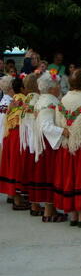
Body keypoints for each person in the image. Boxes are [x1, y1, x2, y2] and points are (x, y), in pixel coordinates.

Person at [54, 69, 81, 227]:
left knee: (68, 178)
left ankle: (72, 215)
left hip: (66, 146)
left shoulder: (63, 100)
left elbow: (58, 123)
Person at [34, 71, 69, 222]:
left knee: (48, 175)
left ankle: (51, 209)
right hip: (49, 146)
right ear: (51, 88)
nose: (60, 87)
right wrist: (63, 131)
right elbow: (46, 126)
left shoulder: (42, 100)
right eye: (58, 85)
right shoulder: (50, 102)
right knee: (50, 175)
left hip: (45, 144)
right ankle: (49, 211)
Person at [0, 76, 30, 210]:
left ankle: (15, 196)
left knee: (13, 166)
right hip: (18, 136)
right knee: (18, 167)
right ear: (23, 88)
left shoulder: (12, 101)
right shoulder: (23, 100)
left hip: (8, 136)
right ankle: (17, 200)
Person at [19, 73, 44, 216]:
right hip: (36, 142)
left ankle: (32, 202)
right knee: (37, 174)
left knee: (31, 173)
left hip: (28, 142)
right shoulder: (37, 99)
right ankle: (35, 204)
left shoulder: (27, 99)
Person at [0, 76, 15, 204]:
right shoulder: (11, 103)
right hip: (4, 137)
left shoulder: (3, 101)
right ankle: (11, 194)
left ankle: (11, 194)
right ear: (10, 88)